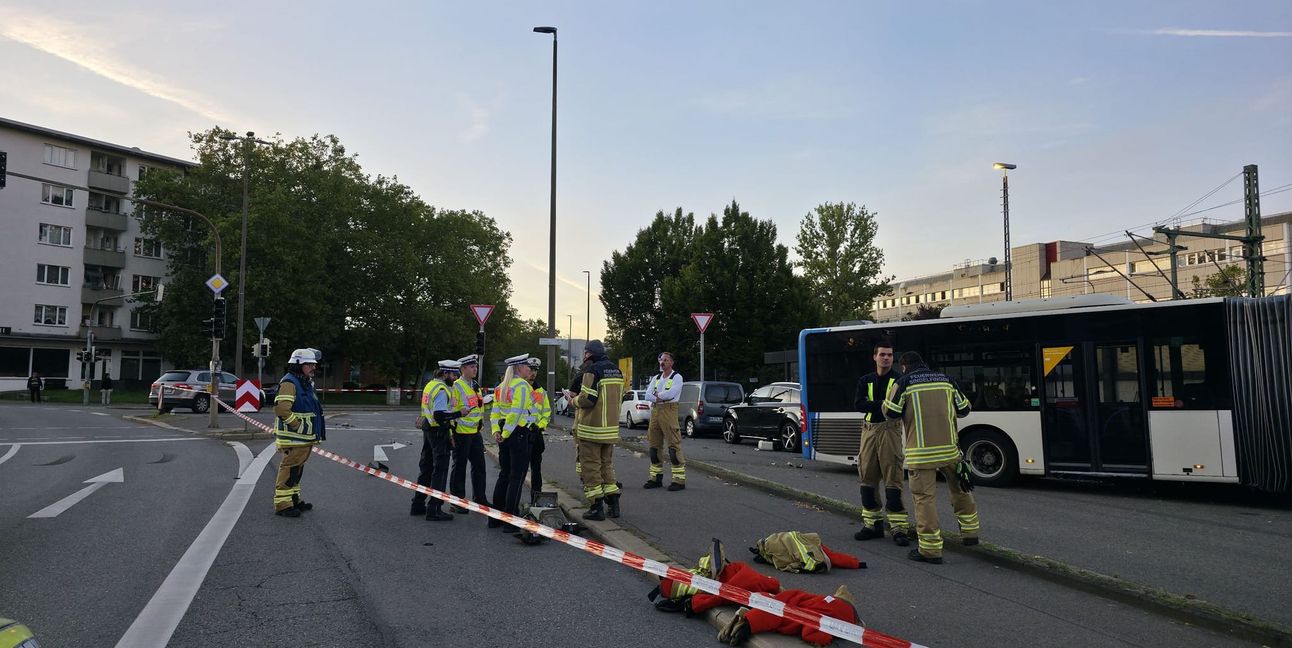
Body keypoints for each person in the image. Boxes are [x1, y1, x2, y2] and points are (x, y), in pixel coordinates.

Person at [884, 351, 980, 564]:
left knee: (924, 500)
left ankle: (930, 550)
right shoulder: (947, 380)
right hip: (950, 451)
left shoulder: (904, 382)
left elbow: (890, 413)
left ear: (904, 366)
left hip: (921, 455)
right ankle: (970, 534)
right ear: (924, 364)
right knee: (961, 490)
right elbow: (964, 409)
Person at [852, 342, 909, 546]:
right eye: (882, 354)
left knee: (893, 478)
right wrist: (884, 405)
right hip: (868, 430)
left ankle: (898, 528)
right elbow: (859, 404)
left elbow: (901, 407)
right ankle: (872, 525)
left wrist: (875, 405)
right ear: (874, 357)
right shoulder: (865, 380)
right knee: (867, 477)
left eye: (890, 355)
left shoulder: (900, 380)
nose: (886, 358)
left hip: (890, 429)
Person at [573, 340, 625, 521]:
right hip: (610, 429)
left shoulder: (592, 370)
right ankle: (613, 503)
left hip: (592, 429)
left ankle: (596, 507)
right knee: (606, 466)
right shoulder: (617, 371)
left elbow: (588, 399)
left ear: (588, 354)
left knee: (591, 468)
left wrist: (573, 401)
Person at [272, 348, 327, 518]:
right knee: (289, 469)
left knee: (297, 469)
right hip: (294, 438)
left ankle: (293, 499)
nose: (313, 368)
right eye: (309, 364)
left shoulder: (303, 382)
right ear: (298, 365)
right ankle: (283, 504)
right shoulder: (290, 383)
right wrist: (298, 426)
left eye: (313, 364)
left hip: (302, 439)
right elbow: (282, 409)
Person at [489, 354, 539, 533]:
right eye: (527, 366)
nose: (529, 369)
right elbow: (517, 413)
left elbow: (495, 412)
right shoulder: (522, 386)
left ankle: (495, 518)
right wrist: (507, 432)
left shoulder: (501, 387)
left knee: (504, 474)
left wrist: (497, 431)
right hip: (516, 434)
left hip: (504, 433)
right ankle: (510, 521)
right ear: (519, 368)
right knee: (516, 477)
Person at [412, 360, 460, 521]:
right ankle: (434, 508)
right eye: (453, 375)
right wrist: (459, 414)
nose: (455, 378)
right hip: (439, 431)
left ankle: (418, 504)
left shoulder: (430, 385)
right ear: (445, 373)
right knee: (440, 470)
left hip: (428, 430)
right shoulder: (441, 390)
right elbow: (440, 415)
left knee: (425, 468)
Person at [449, 354, 489, 513]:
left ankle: (480, 499)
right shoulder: (456, 386)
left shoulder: (475, 385)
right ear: (463, 369)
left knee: (480, 466)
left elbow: (478, 407)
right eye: (472, 367)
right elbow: (451, 410)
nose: (475, 369)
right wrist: (451, 432)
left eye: (476, 366)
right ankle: (456, 501)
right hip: (460, 433)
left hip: (475, 432)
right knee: (459, 467)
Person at [642, 351, 686, 490]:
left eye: (666, 360)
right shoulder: (656, 378)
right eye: (661, 359)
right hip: (656, 411)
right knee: (654, 447)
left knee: (673, 446)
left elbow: (671, 395)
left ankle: (678, 480)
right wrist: (658, 398)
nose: (662, 362)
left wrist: (657, 396)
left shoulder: (677, 377)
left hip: (669, 411)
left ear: (671, 362)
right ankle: (655, 478)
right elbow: (647, 395)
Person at [526, 357, 552, 503]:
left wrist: (540, 425)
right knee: (520, 470)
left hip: (536, 435)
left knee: (536, 470)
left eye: (535, 370)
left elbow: (546, 412)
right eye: (530, 370)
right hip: (522, 434)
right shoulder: (520, 388)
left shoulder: (541, 391)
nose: (533, 373)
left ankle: (536, 499)